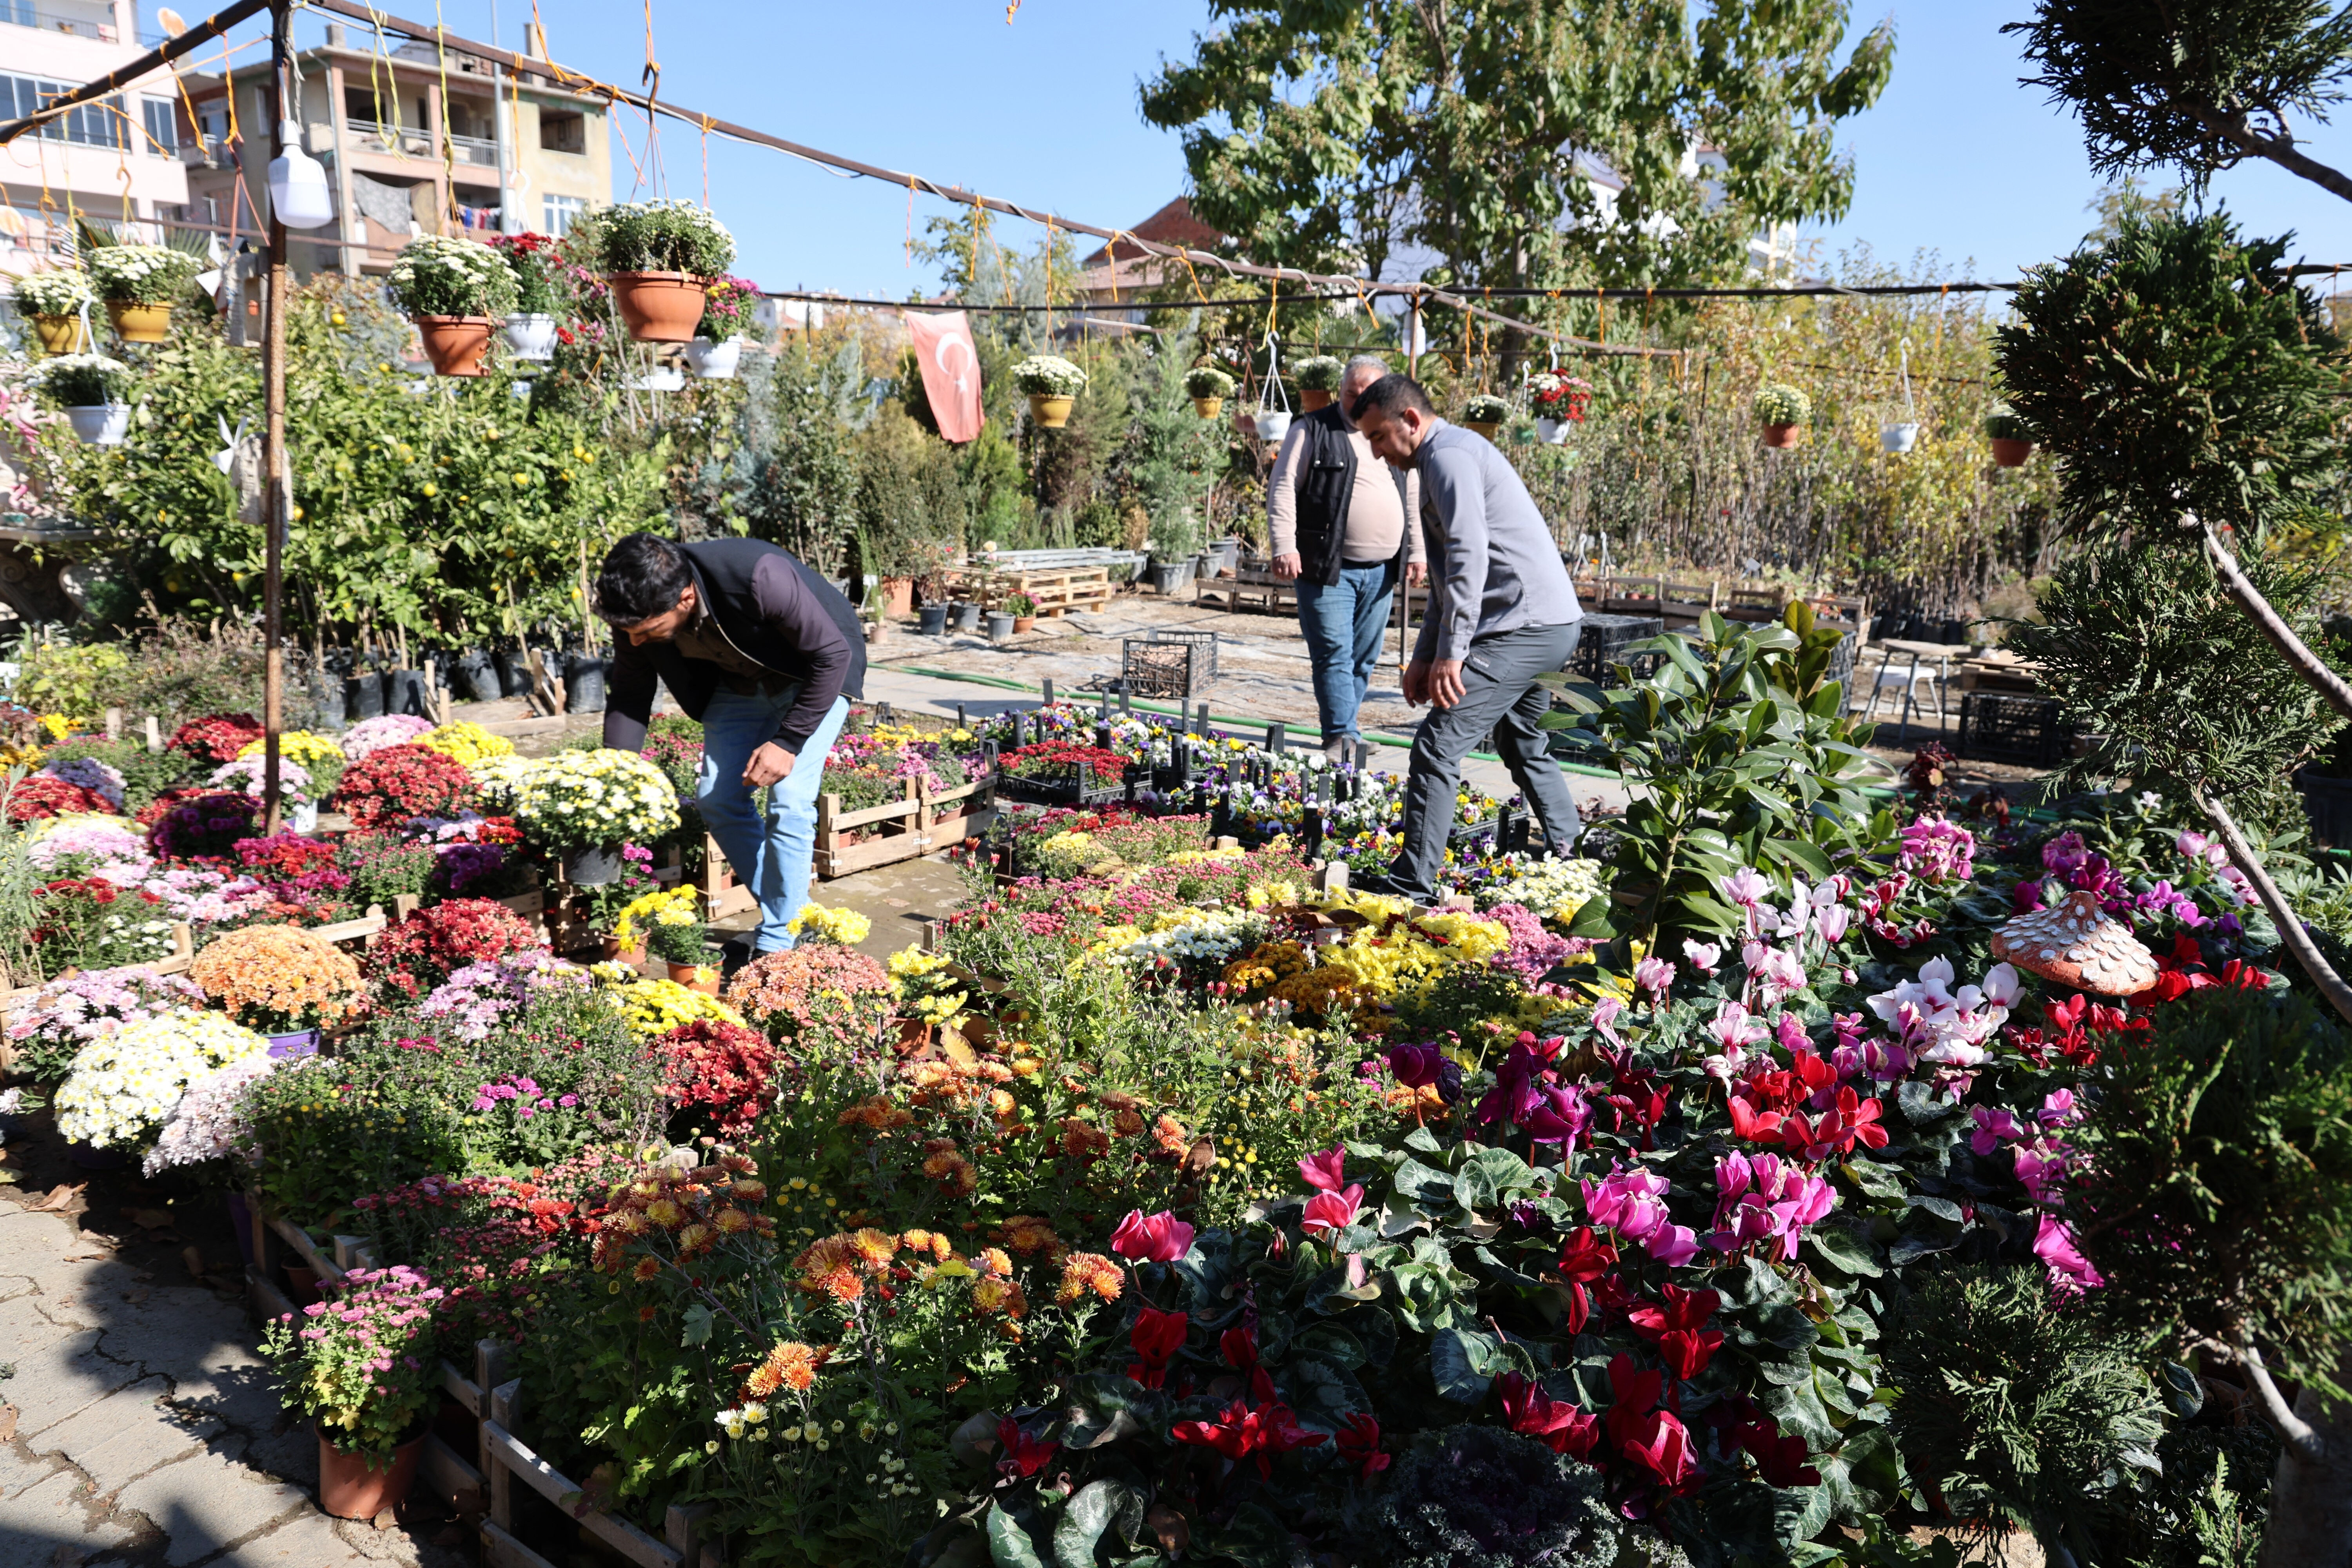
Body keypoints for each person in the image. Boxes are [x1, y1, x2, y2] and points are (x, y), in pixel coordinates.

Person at [1349, 374, 1585, 902]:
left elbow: (1468, 562)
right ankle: (1575, 859)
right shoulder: (1445, 456)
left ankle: (1412, 885)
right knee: (1521, 743)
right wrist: (1423, 656)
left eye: (1380, 438)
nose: (1379, 453)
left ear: (1410, 419)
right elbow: (1443, 576)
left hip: (1523, 627)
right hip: (1548, 623)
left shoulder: (1447, 458)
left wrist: (1452, 655)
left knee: (1438, 744)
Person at [593, 533, 865, 968]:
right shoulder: (637, 613)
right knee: (718, 800)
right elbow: (629, 694)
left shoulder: (758, 576)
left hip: (814, 672)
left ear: (684, 598)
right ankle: (793, 916)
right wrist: (615, 775)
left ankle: (779, 947)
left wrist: (788, 742)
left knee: (791, 799)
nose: (636, 642)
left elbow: (831, 655)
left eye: (646, 632)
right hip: (736, 684)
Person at [1267, 354, 1428, 766]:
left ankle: (1347, 729)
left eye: (1366, 395)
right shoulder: (1312, 429)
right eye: (1350, 393)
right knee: (1334, 652)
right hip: (1326, 566)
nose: (1356, 402)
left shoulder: (1387, 432)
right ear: (1340, 390)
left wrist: (1416, 550)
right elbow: (1283, 486)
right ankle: (1341, 734)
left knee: (1363, 656)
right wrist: (1284, 545)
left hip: (1382, 571)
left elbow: (1412, 493)